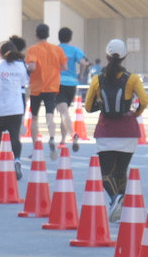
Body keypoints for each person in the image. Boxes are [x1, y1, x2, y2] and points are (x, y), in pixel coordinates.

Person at [85, 40, 146, 221]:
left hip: (106, 131)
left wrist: (101, 105)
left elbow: (88, 106)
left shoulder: (97, 79)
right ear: (125, 56)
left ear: (107, 56)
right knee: (121, 172)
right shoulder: (132, 78)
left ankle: (115, 198)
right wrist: (135, 113)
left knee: (106, 174)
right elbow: (144, 100)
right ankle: (121, 209)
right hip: (128, 132)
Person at [0, 36, 29, 177]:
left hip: (0, 108)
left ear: (0, 53)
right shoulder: (20, 66)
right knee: (15, 137)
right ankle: (17, 160)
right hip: (16, 108)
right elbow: (24, 83)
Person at [25, 23, 65, 150]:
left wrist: (27, 71)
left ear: (36, 35)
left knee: (34, 117)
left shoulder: (32, 50)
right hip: (52, 87)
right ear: (48, 35)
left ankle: (35, 146)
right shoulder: (57, 50)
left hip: (36, 88)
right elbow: (64, 67)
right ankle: (52, 137)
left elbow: (32, 66)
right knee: (50, 114)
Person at [56, 27, 86, 152]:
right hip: (72, 84)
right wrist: (81, 75)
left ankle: (73, 134)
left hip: (58, 83)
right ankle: (63, 140)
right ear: (70, 38)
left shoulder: (55, 49)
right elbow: (83, 62)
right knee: (64, 112)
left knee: (64, 113)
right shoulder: (75, 50)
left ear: (58, 37)